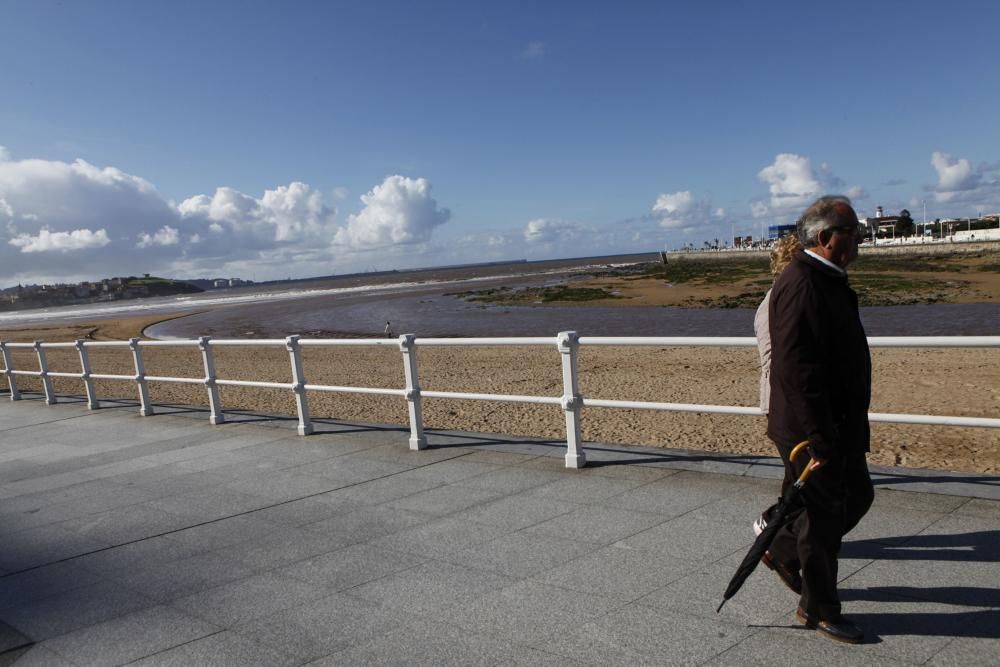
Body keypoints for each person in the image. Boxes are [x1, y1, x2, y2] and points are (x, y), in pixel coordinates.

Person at [761, 195, 874, 644]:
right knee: (825, 518)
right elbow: (795, 369)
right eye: (854, 234)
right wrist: (817, 438)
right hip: (814, 431)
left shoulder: (825, 277)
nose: (861, 241)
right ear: (826, 238)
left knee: (851, 498)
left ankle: (781, 548)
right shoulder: (804, 283)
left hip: (832, 424)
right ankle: (818, 607)